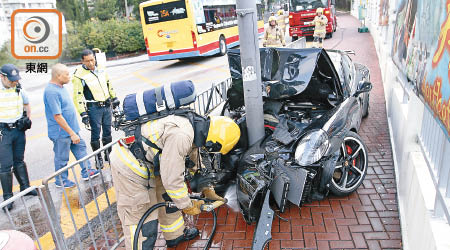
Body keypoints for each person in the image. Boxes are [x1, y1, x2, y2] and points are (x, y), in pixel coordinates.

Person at [110, 114, 240, 249]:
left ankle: (175, 235)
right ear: (214, 142)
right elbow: (172, 180)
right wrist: (187, 205)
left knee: (168, 199)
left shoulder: (196, 129)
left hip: (153, 161)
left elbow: (193, 163)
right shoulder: (182, 136)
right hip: (130, 165)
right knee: (142, 217)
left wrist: (206, 188)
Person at [44, 64, 99, 188]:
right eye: (67, 74)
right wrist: (71, 133)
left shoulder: (61, 87)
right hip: (61, 132)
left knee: (81, 148)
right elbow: (57, 116)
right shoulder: (51, 91)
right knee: (62, 157)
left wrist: (74, 131)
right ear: (58, 76)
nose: (69, 77)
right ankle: (61, 180)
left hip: (71, 129)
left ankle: (87, 171)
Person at [72, 49, 120, 167]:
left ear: (95, 58)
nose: (91, 63)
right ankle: (98, 158)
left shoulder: (101, 68)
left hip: (107, 105)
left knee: (108, 132)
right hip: (93, 108)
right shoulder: (79, 75)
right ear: (82, 61)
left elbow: (109, 84)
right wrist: (83, 113)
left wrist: (114, 98)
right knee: (95, 134)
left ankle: (109, 155)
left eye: (92, 60)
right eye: (87, 61)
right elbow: (77, 96)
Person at [0, 64, 37, 211]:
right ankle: (8, 197)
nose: (15, 82)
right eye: (11, 80)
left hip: (18, 130)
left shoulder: (19, 88)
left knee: (19, 160)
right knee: (5, 166)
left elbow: (26, 104)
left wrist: (26, 118)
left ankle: (25, 188)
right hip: (3, 132)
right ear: (2, 77)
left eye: (16, 79)